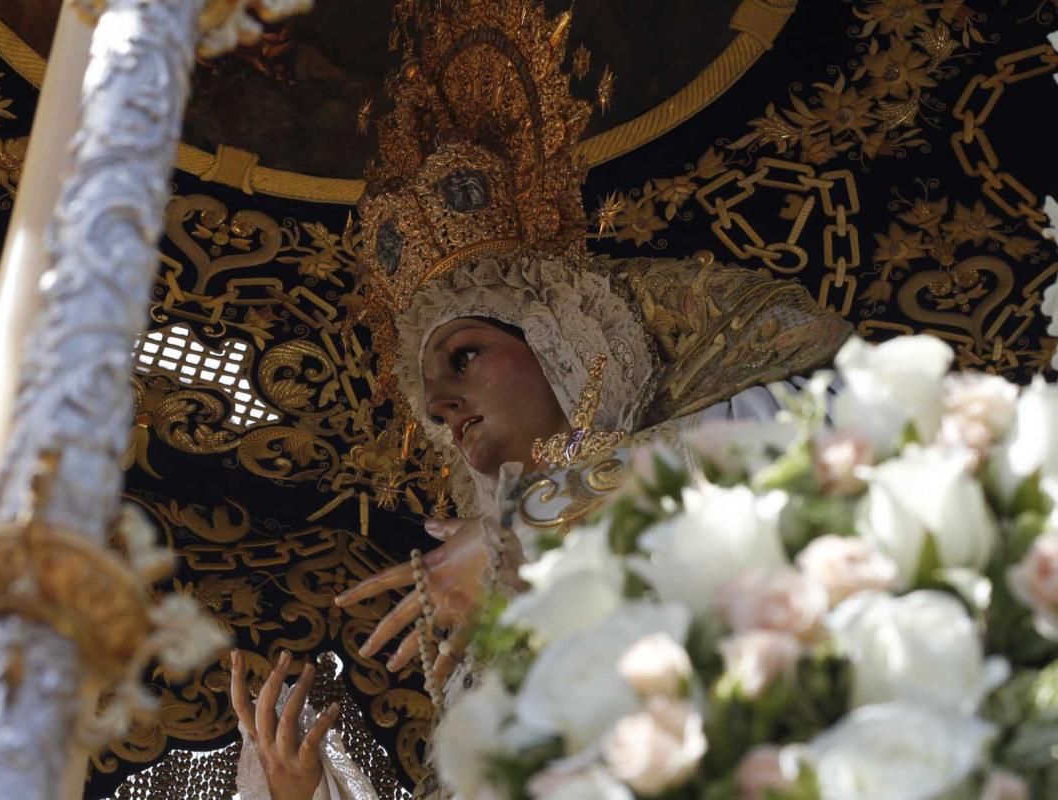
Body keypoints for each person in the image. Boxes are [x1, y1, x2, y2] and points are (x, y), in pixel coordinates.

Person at [230, 1, 852, 798]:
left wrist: (540, 520)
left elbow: (837, 430)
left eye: (466, 358)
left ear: (558, 342)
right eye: (430, 403)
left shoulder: (728, 435)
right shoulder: (468, 600)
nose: (446, 406)